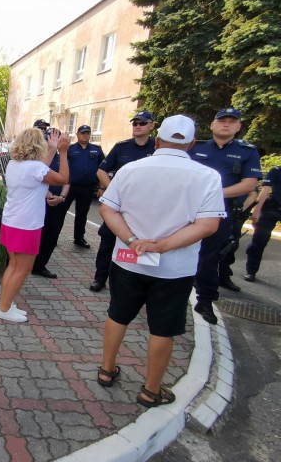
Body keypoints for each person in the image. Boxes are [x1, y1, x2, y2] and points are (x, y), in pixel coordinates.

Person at [97, 115, 224, 407]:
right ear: (192, 144)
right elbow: (208, 225)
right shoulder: (208, 176)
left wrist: (133, 241)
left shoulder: (130, 169)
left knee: (118, 315)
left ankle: (106, 370)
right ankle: (151, 390)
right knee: (163, 328)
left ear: (157, 141)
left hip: (128, 260)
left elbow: (108, 210)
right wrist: (161, 246)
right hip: (174, 269)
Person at [189, 108, 262, 324]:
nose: (226, 124)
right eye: (222, 120)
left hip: (220, 211)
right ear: (212, 124)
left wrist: (214, 193)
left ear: (238, 126)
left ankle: (205, 301)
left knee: (210, 257)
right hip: (190, 208)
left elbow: (248, 185)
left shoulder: (247, 152)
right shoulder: (196, 147)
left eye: (232, 121)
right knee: (181, 250)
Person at [0, 128, 69, 322]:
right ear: (38, 145)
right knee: (22, 269)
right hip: (26, 226)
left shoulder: (14, 164)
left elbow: (40, 170)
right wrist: (62, 152)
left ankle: (5, 304)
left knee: (13, 266)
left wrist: (52, 149)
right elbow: (63, 179)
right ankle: (4, 309)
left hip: (11, 222)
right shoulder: (35, 168)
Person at [89, 111, 156, 292]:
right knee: (107, 242)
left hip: (145, 206)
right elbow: (101, 170)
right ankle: (100, 278)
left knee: (140, 242)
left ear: (152, 125)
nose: (137, 126)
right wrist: (114, 190)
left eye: (142, 123)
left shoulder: (157, 148)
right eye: (135, 123)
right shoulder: (121, 147)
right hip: (120, 205)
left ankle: (133, 283)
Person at [32, 133, 69, 279]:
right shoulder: (37, 158)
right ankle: (25, 264)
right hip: (40, 202)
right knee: (36, 235)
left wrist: (62, 197)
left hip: (57, 202)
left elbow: (67, 181)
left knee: (51, 236)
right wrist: (48, 195)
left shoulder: (62, 159)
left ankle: (40, 266)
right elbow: (34, 179)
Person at [64, 124, 105, 248]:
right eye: (83, 133)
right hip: (69, 187)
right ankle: (53, 237)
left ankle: (79, 238)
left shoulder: (97, 150)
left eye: (87, 133)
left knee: (82, 215)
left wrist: (101, 187)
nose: (85, 135)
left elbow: (102, 169)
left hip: (87, 187)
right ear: (77, 134)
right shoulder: (70, 149)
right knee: (61, 212)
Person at [244, 165, 281, 282]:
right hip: (272, 209)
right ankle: (251, 271)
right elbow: (265, 190)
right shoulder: (276, 171)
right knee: (259, 240)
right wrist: (256, 210)